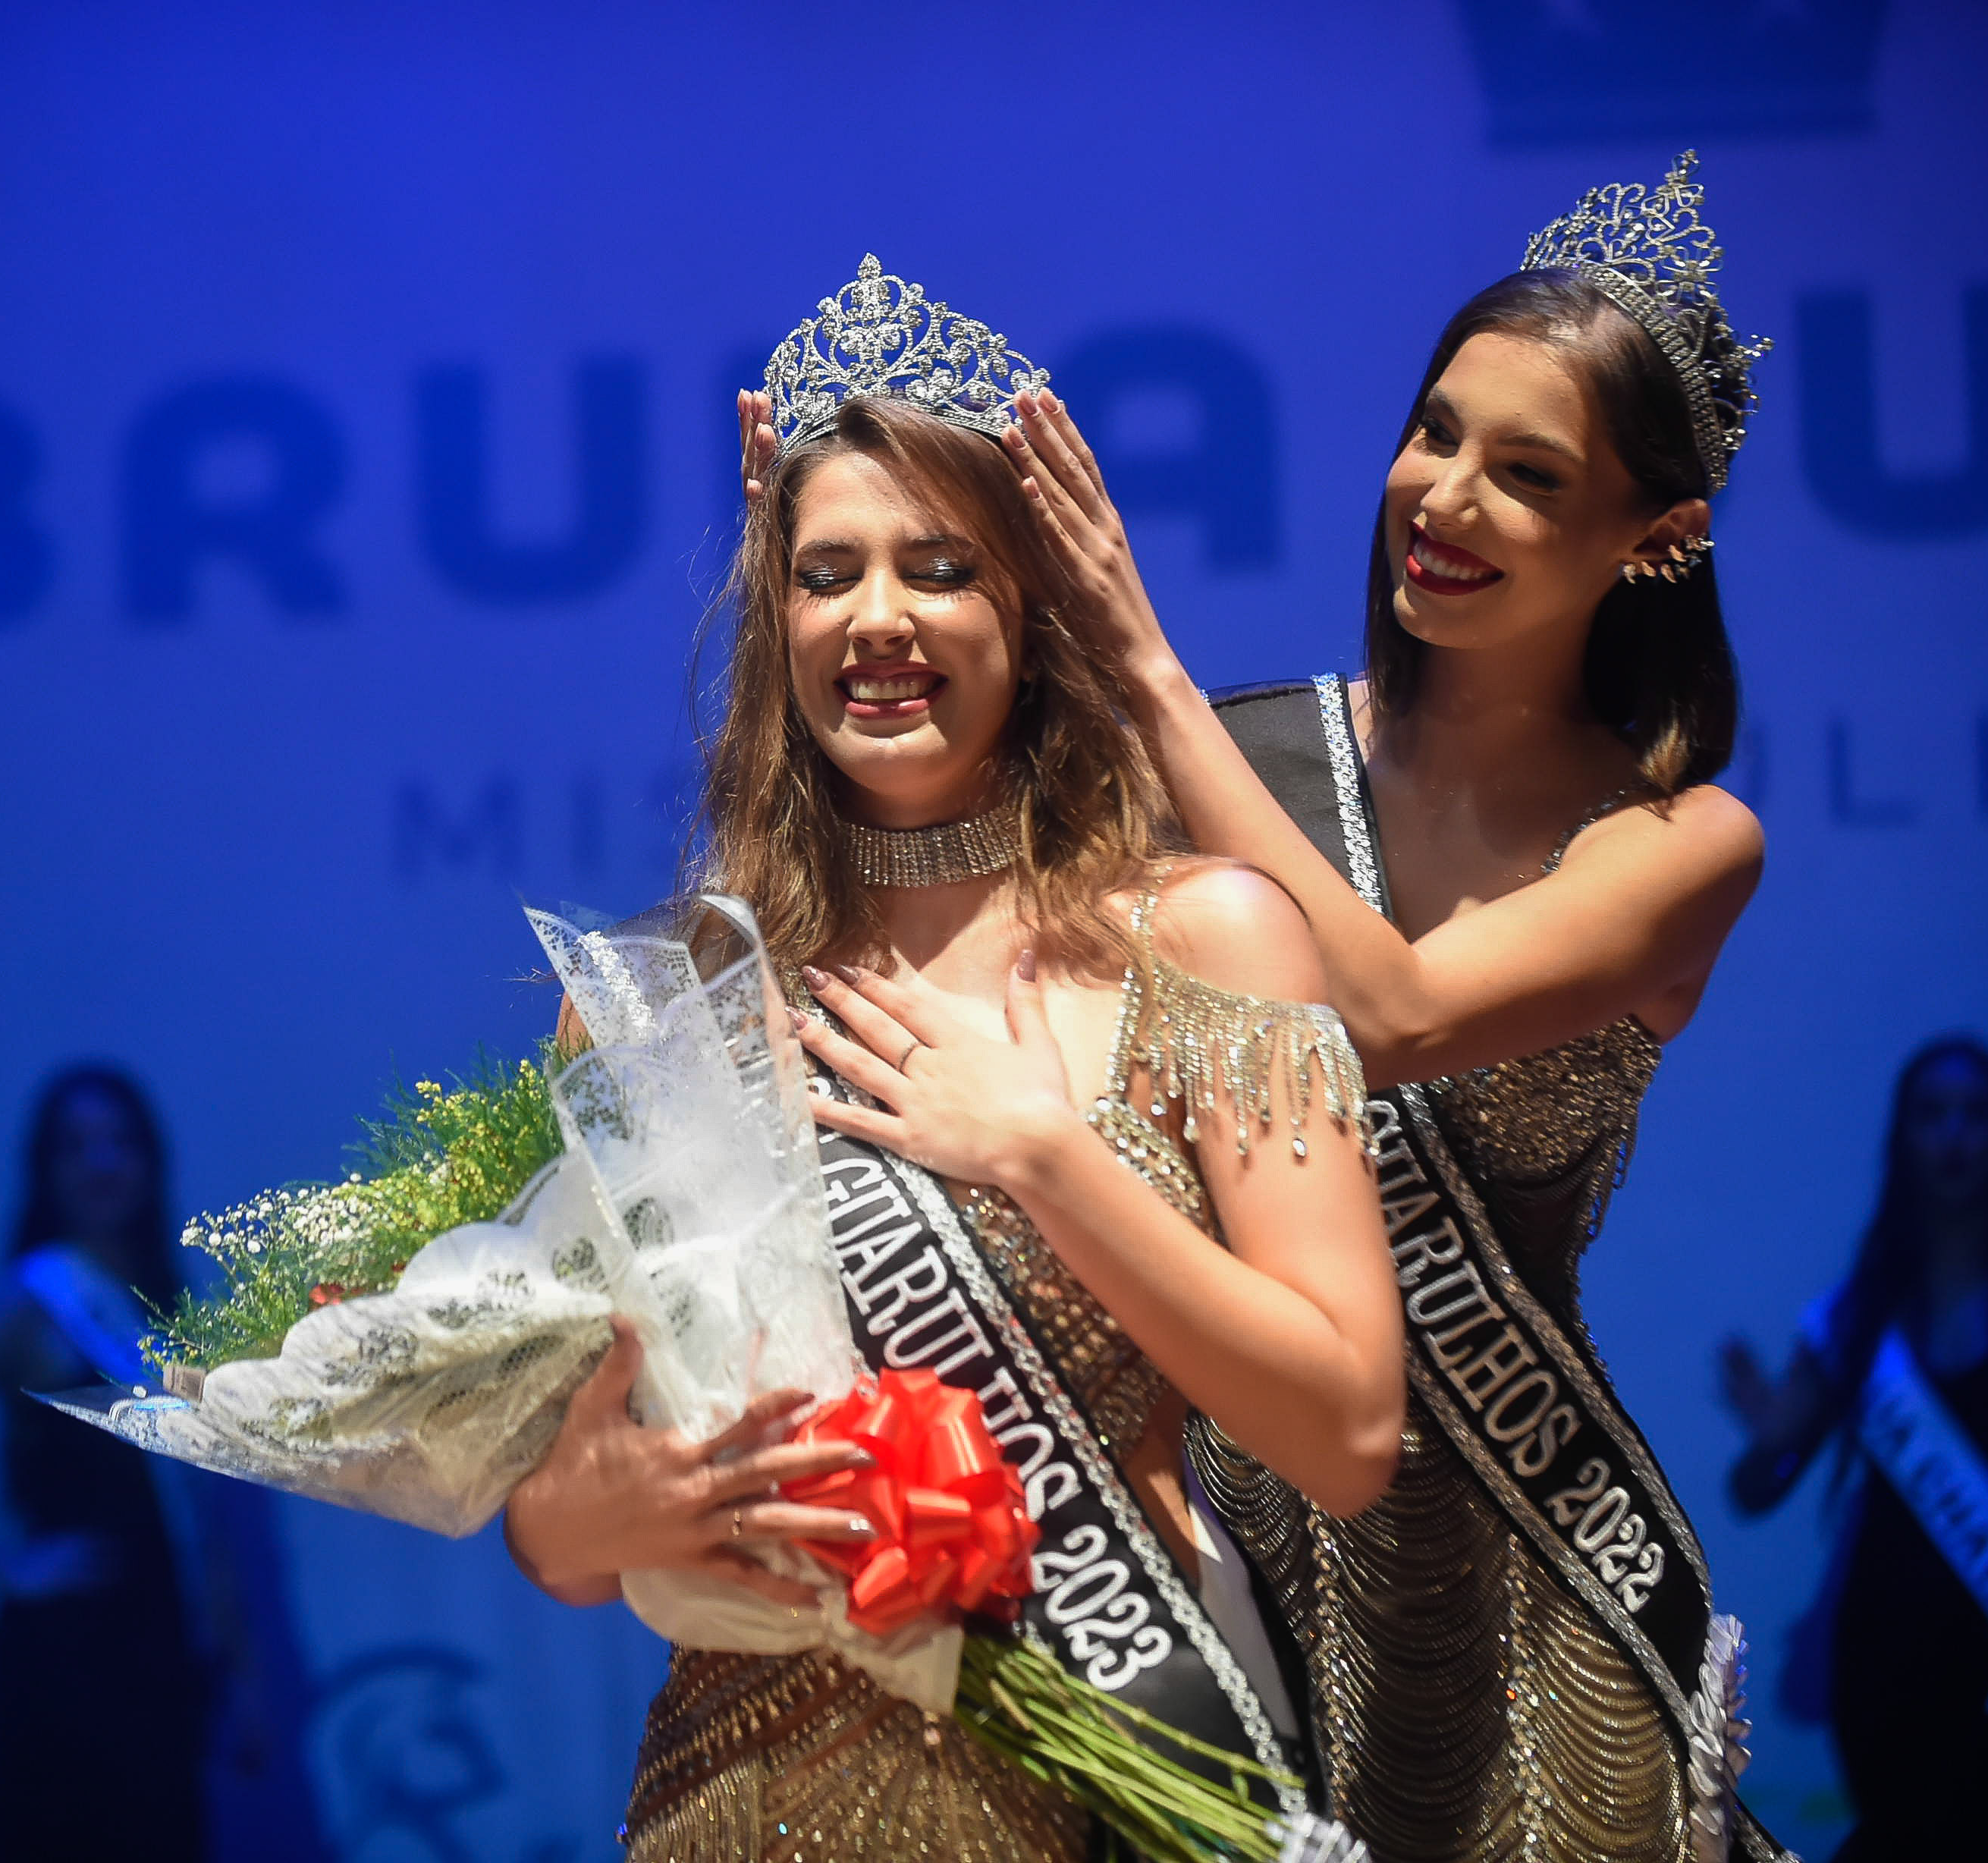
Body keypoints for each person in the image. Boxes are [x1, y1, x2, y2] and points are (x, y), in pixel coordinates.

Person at [730, 159, 1773, 1862]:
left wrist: (1138, 660)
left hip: (1524, 1560)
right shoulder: (1247, 757)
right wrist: (834, 583)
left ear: (1660, 536)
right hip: (1221, 1544)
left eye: (1528, 474)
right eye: (1435, 433)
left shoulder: (1678, 840)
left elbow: (1397, 1013)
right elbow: (943, 867)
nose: (1444, 498)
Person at [502, 257, 1407, 1861]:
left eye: (941, 568)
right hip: (745, 1789)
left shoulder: (1205, 940)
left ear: (1032, 614)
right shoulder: (659, 1000)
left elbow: (1345, 1435)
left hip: (1113, 1757)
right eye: (827, 574)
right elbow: (557, 1530)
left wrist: (1044, 1158)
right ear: (777, 620)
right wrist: (599, 1516)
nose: (880, 619)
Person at [0, 1065, 325, 1863]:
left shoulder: (168, 1310)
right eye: (76, 1146)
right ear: (45, 1169)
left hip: (160, 1646)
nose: (101, 1162)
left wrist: (242, 1669)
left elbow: (201, 1511)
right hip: (65, 1655)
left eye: (120, 1141)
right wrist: (5, 1566)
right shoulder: (32, 1298)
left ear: (150, 1159)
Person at [1720, 1037, 1988, 1859]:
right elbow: (1754, 1489)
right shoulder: (1857, 1318)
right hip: (1894, 1655)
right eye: (1932, 1115)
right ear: (1903, 1138)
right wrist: (1769, 1439)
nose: (1955, 1136)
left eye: (1976, 1114)